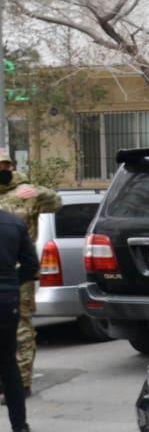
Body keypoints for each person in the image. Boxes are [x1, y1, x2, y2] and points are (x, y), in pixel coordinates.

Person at [0, 152, 62, 401]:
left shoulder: (26, 193)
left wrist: (36, 192)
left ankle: (22, 382)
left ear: (11, 167)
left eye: (4, 166)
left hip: (18, 272)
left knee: (21, 329)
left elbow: (57, 202)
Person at [0, 206, 38, 432]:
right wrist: (12, 283)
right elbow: (31, 265)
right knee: (8, 363)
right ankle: (20, 426)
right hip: (6, 301)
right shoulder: (13, 223)